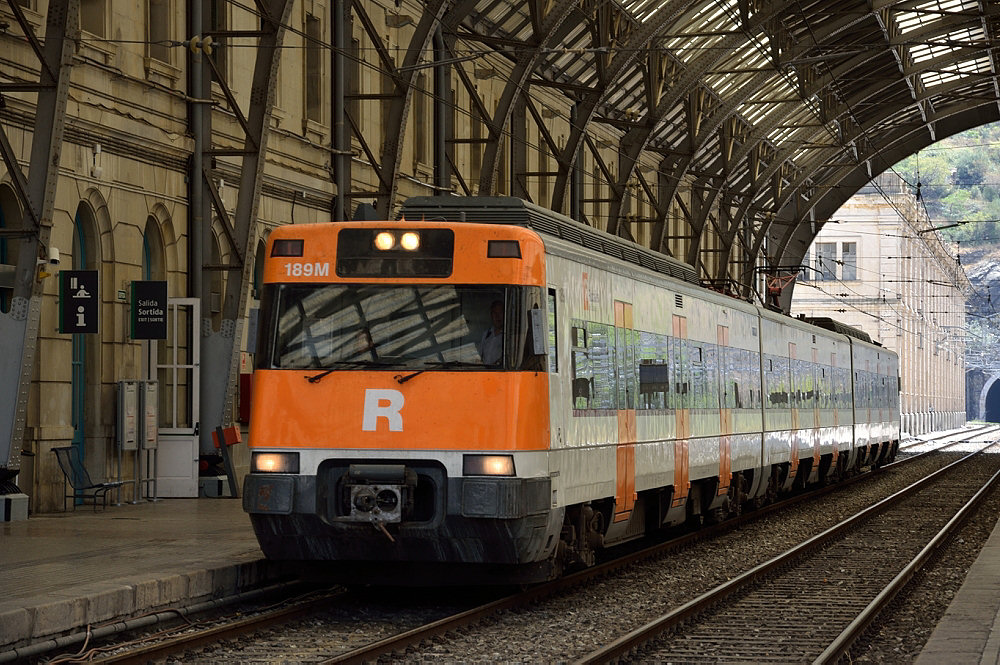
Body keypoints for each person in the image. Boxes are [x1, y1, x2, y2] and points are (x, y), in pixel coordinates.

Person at [479, 300, 504, 366]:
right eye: (494, 313)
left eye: (500, 313)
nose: (497, 316)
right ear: (491, 315)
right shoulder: (486, 334)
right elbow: (480, 357)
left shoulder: (509, 337)